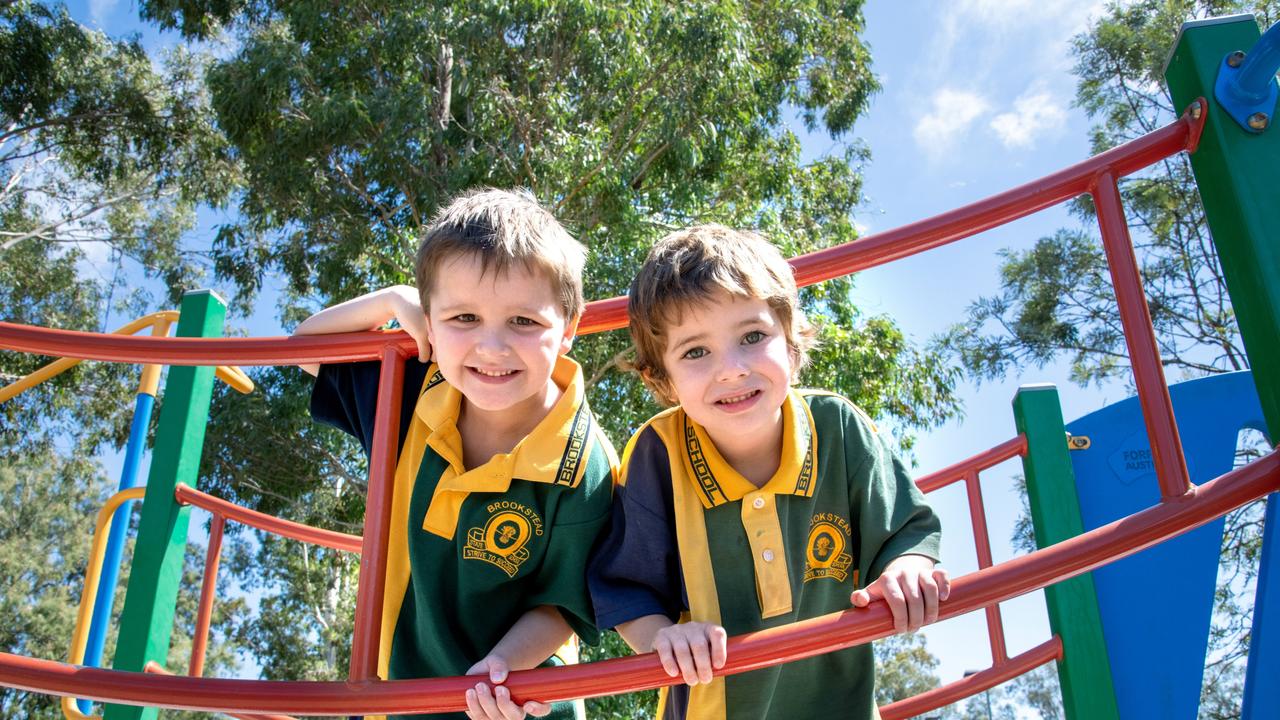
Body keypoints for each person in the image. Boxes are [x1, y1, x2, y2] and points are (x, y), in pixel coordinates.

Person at [588, 225, 950, 720]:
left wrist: (906, 571)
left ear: (793, 344)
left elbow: (906, 532)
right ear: (662, 378)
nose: (731, 369)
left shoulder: (838, 428)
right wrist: (663, 636)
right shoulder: (658, 454)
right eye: (696, 351)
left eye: (752, 337)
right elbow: (627, 587)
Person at [299, 188, 617, 720]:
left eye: (524, 322)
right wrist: (390, 301)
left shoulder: (583, 463)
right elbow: (306, 348)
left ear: (570, 328)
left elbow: (561, 604)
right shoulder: (408, 392)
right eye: (463, 318)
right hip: (392, 701)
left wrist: (499, 669)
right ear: (429, 320)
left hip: (511, 703)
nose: (491, 348)